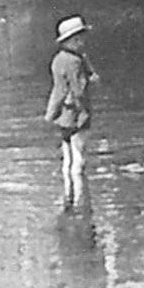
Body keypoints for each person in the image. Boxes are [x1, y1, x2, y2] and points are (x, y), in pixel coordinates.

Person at [43, 14, 97, 205]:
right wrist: (90, 80)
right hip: (78, 115)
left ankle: (68, 194)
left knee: (67, 156)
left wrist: (51, 113)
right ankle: (80, 197)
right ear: (74, 40)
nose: (83, 41)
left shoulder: (59, 59)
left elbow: (59, 89)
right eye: (81, 38)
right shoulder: (75, 62)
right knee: (79, 158)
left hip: (63, 116)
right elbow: (79, 89)